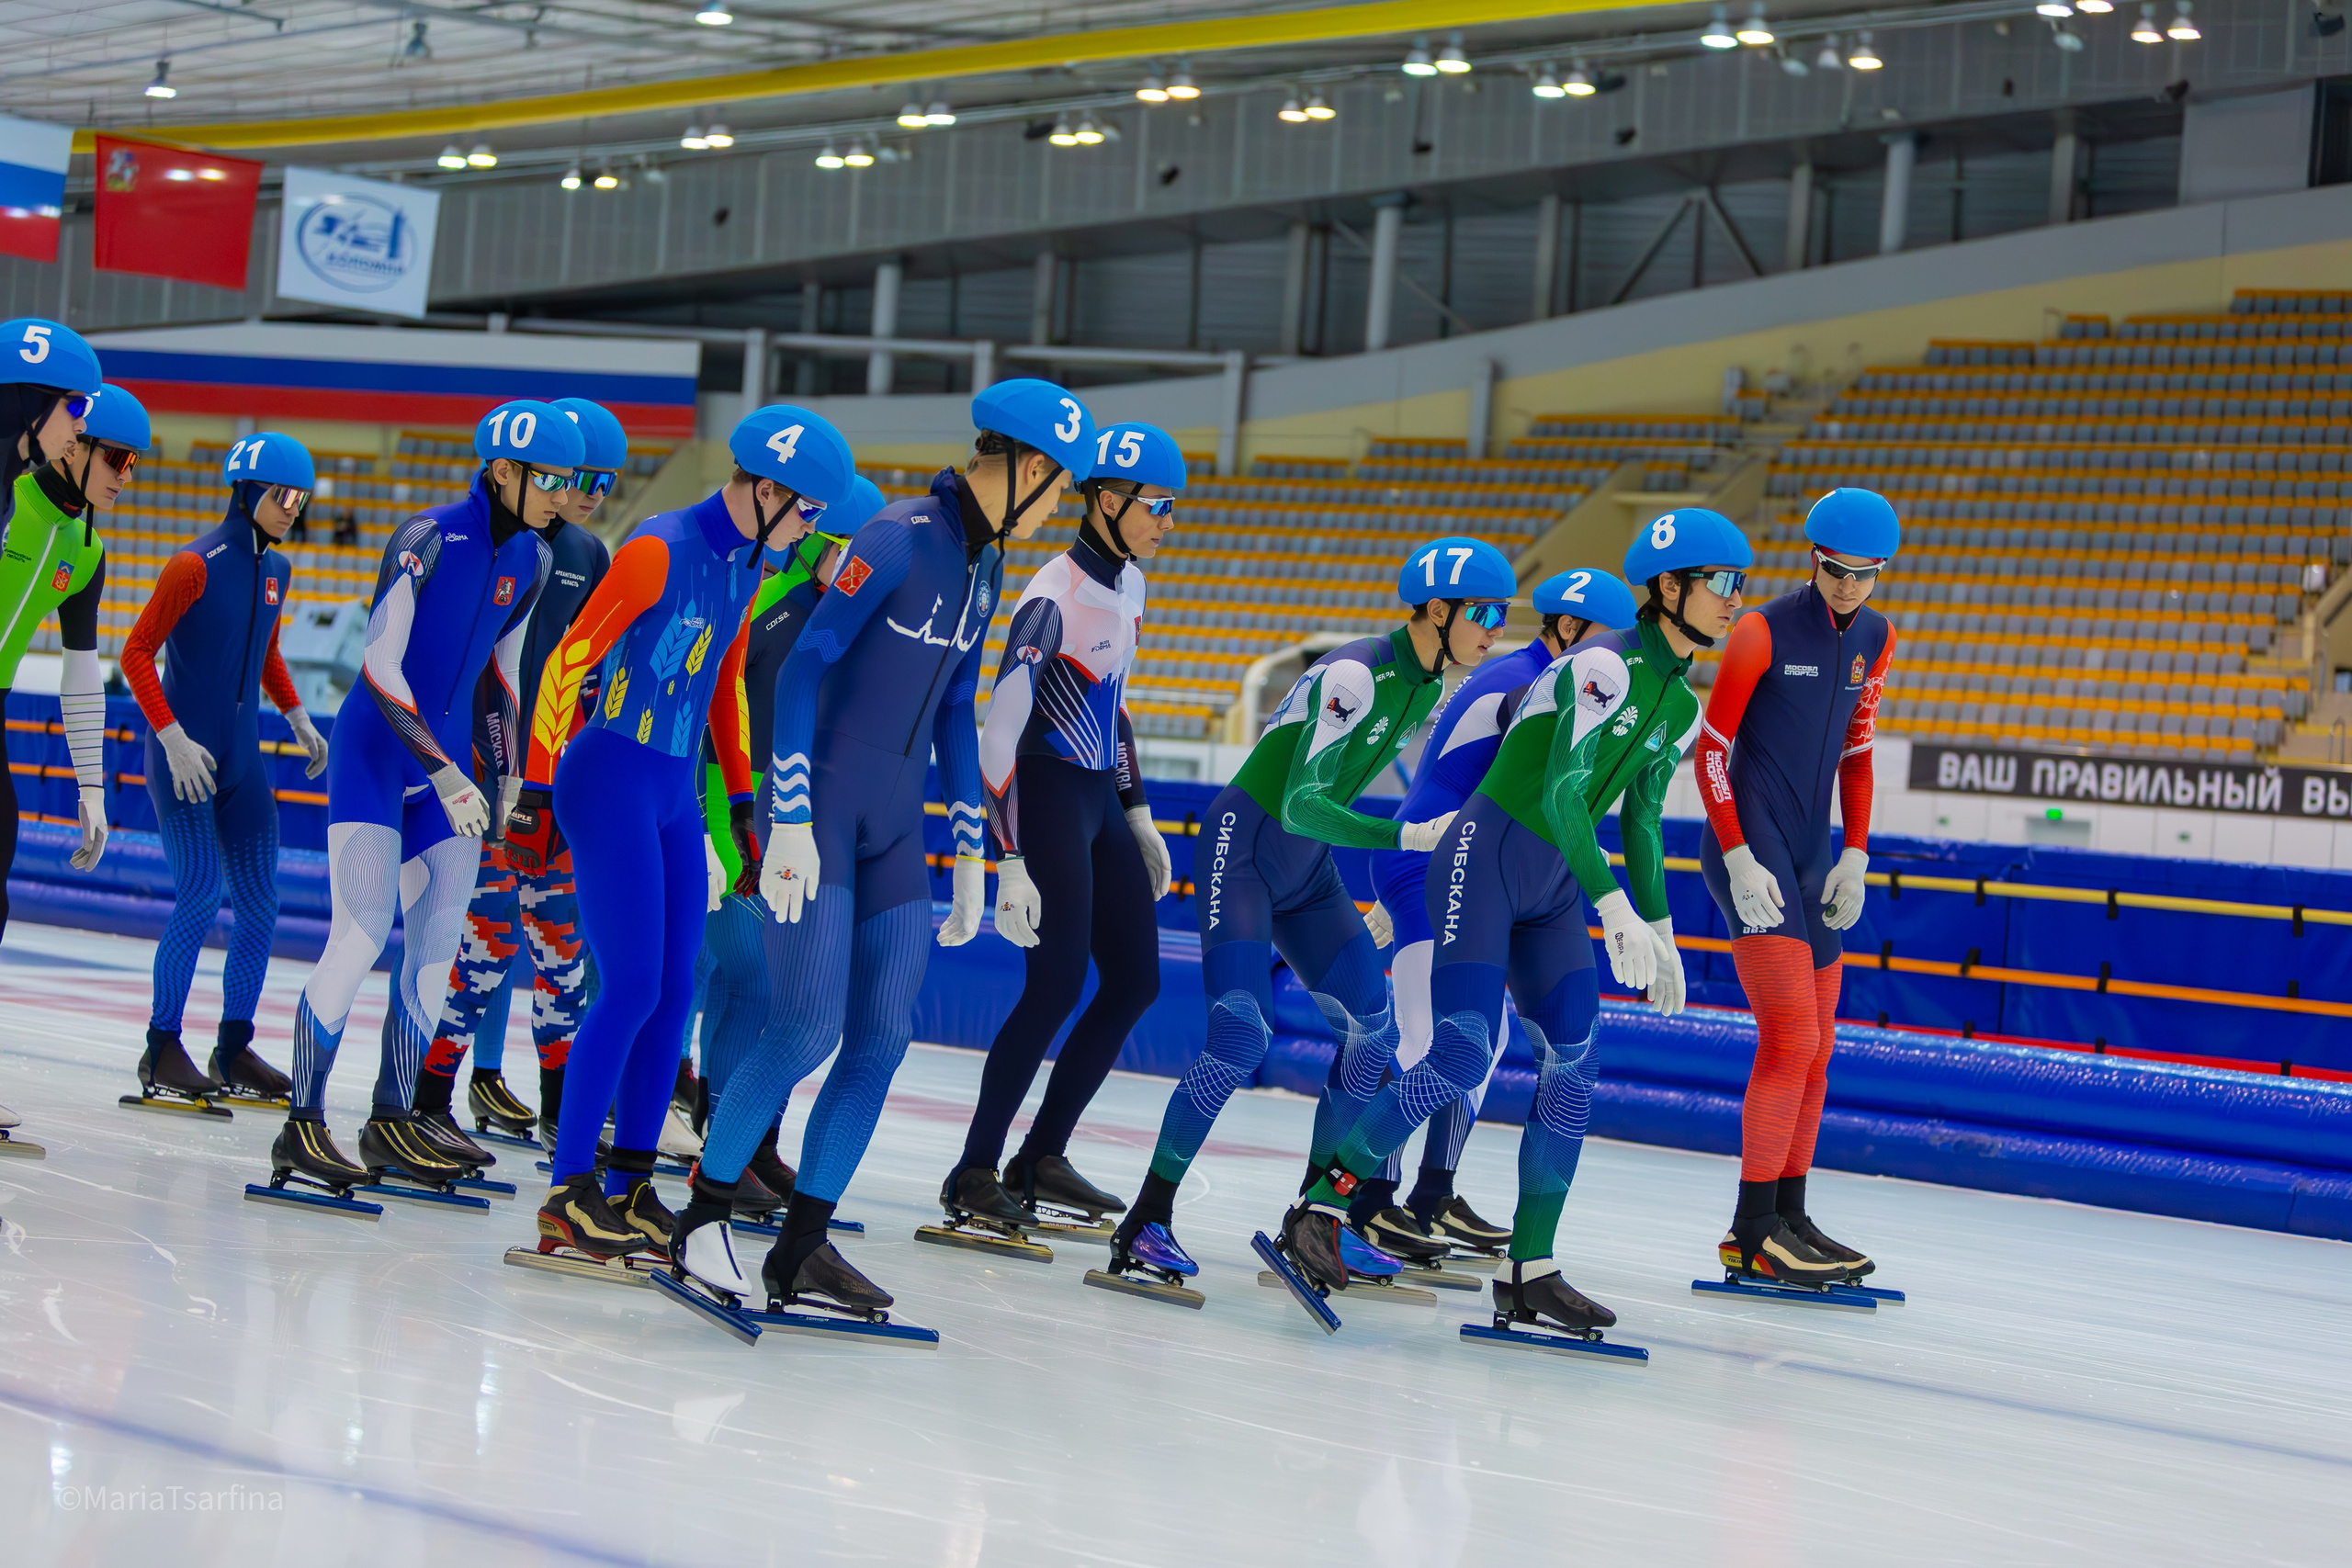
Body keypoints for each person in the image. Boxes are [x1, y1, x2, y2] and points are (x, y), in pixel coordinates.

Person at [664, 379, 1092, 1326]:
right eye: (1058, 484)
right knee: (805, 1025)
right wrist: (783, 814)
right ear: (1027, 467)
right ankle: (699, 1218)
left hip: (898, 828)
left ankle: (801, 1246)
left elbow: (951, 708)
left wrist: (974, 853)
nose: (1059, 502)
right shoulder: (897, 536)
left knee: (883, 1040)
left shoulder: (985, 568)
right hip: (822, 815)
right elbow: (808, 665)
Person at [1283, 510, 1749, 1336]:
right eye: (1719, 583)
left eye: (1739, 584)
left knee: (1575, 1061)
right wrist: (1614, 909)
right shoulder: (1600, 665)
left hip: (1555, 886)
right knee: (1462, 1049)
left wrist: (1663, 925)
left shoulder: (1678, 705)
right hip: (1487, 860)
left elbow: (1640, 820)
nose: (1732, 598)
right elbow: (1566, 792)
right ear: (1669, 588)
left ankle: (1531, 1270)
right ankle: (1326, 1202)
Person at [1100, 535, 1514, 1304]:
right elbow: (1297, 800)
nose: (1495, 628)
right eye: (1485, 612)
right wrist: (1403, 835)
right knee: (1241, 1036)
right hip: (1246, 849)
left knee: (1374, 1028)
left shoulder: (1427, 688)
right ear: (1436, 609)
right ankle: (1147, 1216)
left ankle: (1313, 1217)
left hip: (1306, 869)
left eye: (1504, 612)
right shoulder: (1357, 673)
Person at [504, 404, 852, 1264]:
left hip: (672, 789)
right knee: (627, 989)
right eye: (807, 509)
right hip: (610, 773)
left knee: (667, 992)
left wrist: (739, 801)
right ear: (767, 490)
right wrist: (538, 787)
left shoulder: (746, 564)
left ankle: (626, 1179)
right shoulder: (659, 548)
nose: (810, 529)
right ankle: (566, 1191)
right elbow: (568, 659)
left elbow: (728, 683)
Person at [252, 400, 568, 1213]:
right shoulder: (426, 535)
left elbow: (505, 678)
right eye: (551, 481)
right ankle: (303, 1118)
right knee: (358, 937)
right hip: (377, 757)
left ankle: (392, 1117)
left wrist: (504, 780)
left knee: (432, 949)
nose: (562, 496)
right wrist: (444, 771)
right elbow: (380, 665)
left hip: (452, 777)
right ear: (504, 470)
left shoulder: (531, 559)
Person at [935, 420, 1183, 1250]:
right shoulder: (1053, 592)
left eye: (1172, 507)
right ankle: (974, 1167)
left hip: (1098, 800)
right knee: (1053, 984)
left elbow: (1112, 707)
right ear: (1107, 502)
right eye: (1156, 506)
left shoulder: (1132, 587)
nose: (1166, 521)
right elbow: (997, 735)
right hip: (1041, 794)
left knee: (1135, 980)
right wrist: (1007, 857)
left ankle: (1040, 1156)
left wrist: (1139, 813)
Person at [1356, 567, 1642, 1260]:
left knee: (1484, 1045)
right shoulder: (1526, 681)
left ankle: (1433, 1191)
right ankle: (1365, 1200)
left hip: (1461, 859)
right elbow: (1540, 793)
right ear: (1569, 630)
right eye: (1611, 642)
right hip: (1437, 860)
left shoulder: (1538, 673)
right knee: (1436, 1043)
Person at [1693, 487, 1899, 1290]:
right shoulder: (1760, 630)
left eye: (1864, 574)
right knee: (1791, 1038)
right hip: (1750, 845)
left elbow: (1858, 752)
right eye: (1834, 569)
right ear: (1812, 558)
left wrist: (1857, 853)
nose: (1847, 586)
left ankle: (1789, 1215)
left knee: (1821, 1051)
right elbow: (1712, 751)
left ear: (1881, 573)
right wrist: (1738, 855)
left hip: (1816, 855)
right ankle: (1750, 1230)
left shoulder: (1876, 638)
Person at [419, 397, 619, 1156]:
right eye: (581, 480)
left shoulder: (589, 557)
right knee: (488, 939)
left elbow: (585, 676)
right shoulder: (508, 549)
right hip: (488, 773)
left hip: (551, 786)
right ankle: (429, 1094)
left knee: (561, 949)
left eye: (602, 484)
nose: (589, 497)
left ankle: (561, 1110)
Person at [687, 476, 884, 1220]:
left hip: (795, 815)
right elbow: (711, 714)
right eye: (848, 555)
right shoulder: (768, 607)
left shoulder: (853, 624)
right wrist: (719, 828)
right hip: (732, 804)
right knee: (754, 979)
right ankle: (720, 1142)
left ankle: (752, 1137)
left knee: (771, 989)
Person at [119, 423, 328, 1114]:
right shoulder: (193, 565)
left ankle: (233, 1044)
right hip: (184, 763)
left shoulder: (278, 569)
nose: (293, 505)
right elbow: (136, 652)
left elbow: (263, 652)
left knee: (262, 902)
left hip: (241, 762)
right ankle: (162, 1043)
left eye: (302, 495)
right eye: (282, 493)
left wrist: (295, 713)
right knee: (201, 895)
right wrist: (171, 736)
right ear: (245, 492)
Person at [0, 320, 107, 1157]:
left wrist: (93, 786)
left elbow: (82, 667)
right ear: (33, 405)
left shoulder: (79, 540)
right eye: (76, 406)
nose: (84, 421)